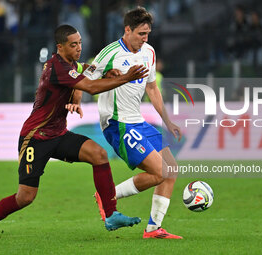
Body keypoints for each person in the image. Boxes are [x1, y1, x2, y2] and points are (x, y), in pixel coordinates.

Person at [0, 24, 148, 241]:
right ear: (60, 47)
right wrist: (124, 77)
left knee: (99, 154)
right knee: (26, 197)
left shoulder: (69, 64)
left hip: (58, 134)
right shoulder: (58, 68)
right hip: (35, 138)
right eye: (73, 45)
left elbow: (85, 69)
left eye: (80, 43)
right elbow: (91, 88)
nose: (78, 48)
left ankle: (111, 215)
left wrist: (106, 72)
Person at [84, 7, 183, 239]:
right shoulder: (109, 53)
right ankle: (107, 195)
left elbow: (151, 87)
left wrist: (167, 120)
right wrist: (74, 99)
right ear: (127, 30)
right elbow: (86, 77)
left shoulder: (149, 52)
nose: (145, 39)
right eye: (141, 34)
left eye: (148, 33)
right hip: (118, 123)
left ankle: (153, 228)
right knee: (160, 171)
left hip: (138, 121)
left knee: (171, 170)